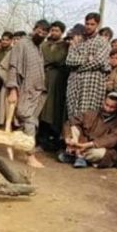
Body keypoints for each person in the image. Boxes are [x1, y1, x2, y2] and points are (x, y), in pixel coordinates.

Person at [6, 20, 50, 168]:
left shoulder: (38, 47)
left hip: (37, 92)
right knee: (29, 121)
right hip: (25, 91)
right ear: (34, 29)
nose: (42, 34)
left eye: (45, 32)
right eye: (40, 30)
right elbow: (13, 67)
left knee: (30, 123)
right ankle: (30, 156)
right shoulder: (23, 44)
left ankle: (19, 144)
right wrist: (12, 89)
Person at [58, 92, 117, 169]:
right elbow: (70, 122)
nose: (108, 109)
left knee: (101, 153)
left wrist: (87, 145)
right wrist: (68, 138)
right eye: (106, 105)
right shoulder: (92, 113)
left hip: (96, 147)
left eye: (112, 107)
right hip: (81, 143)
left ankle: (75, 156)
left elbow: (112, 140)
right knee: (73, 128)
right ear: (103, 102)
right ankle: (78, 156)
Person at [65, 13, 111, 120]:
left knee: (89, 116)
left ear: (97, 25)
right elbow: (69, 60)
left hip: (92, 85)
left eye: (92, 24)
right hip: (75, 84)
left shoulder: (102, 42)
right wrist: (87, 58)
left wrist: (78, 69)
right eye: (87, 23)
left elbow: (98, 61)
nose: (89, 26)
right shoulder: (78, 41)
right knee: (73, 116)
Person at [39, 21, 69, 150]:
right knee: (43, 110)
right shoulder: (44, 45)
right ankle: (41, 140)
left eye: (57, 31)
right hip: (44, 79)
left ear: (62, 32)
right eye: (52, 30)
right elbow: (42, 59)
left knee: (56, 111)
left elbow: (60, 60)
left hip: (59, 81)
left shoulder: (66, 46)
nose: (54, 33)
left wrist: (52, 62)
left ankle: (55, 142)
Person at [0, 32, 14, 117]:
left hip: (9, 81)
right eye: (3, 39)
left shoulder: (14, 52)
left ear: (11, 41)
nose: (4, 42)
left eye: (7, 40)